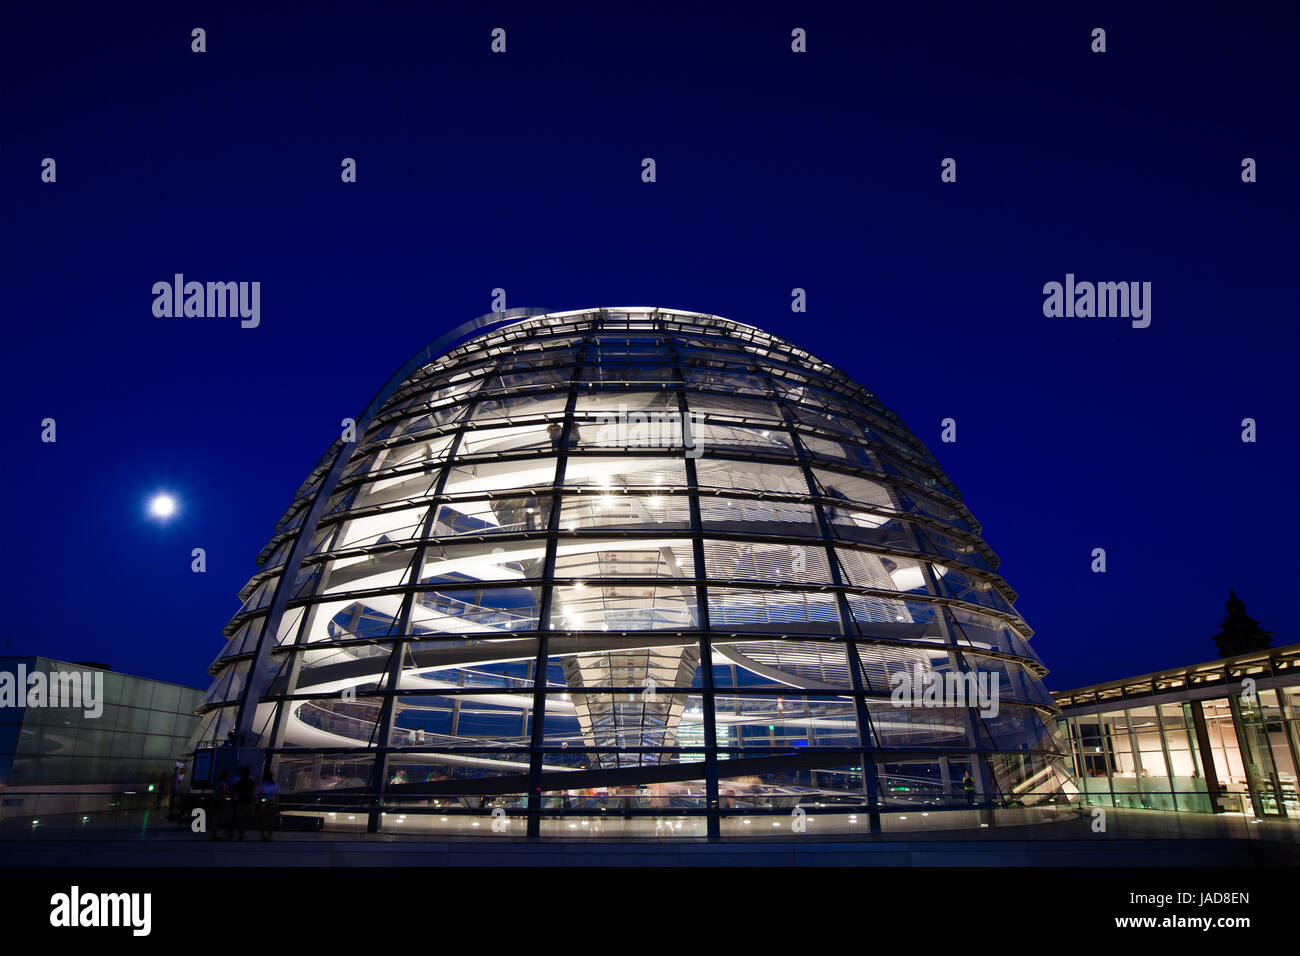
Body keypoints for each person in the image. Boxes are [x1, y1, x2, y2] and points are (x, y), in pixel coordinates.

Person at [231, 765, 256, 840]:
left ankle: (241, 834)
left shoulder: (240, 781)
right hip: (246, 801)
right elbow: (253, 790)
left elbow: (234, 790)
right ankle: (241, 834)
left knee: (241, 818)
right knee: (244, 818)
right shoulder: (249, 781)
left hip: (242, 801)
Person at [254, 769, 278, 841]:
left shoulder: (262, 784)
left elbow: (256, 792)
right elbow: (277, 794)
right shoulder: (274, 784)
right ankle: (268, 835)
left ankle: (263, 835)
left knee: (263, 819)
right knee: (269, 820)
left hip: (265, 802)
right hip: (271, 802)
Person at [211, 770, 232, 840]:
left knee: (218, 818)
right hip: (221, 801)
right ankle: (215, 834)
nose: (229, 778)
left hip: (218, 801)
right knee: (220, 817)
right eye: (228, 776)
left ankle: (215, 834)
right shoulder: (222, 783)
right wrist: (229, 793)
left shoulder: (220, 783)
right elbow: (223, 792)